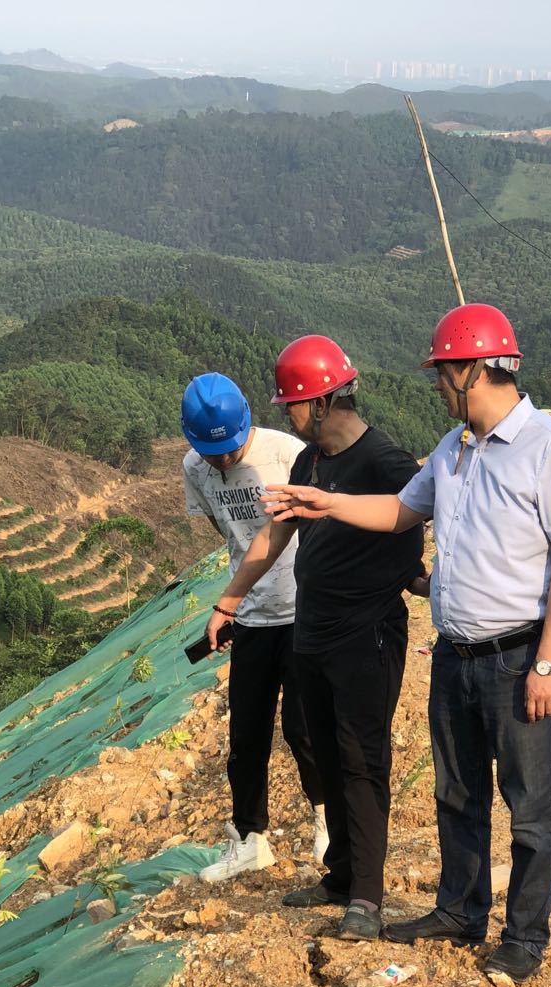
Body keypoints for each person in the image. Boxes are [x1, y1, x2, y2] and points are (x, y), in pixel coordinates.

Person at [262, 304, 551, 984]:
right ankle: (460, 911)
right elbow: (399, 510)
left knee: (530, 809)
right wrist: (326, 502)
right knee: (458, 795)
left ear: (474, 370)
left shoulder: (547, 447)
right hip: (455, 655)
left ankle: (524, 938)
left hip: (520, 657)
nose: (438, 385)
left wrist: (549, 661)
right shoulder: (454, 449)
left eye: (443, 373)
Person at [204, 337, 424, 941]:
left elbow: (425, 512)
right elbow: (274, 536)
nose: (288, 415)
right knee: (326, 754)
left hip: (366, 635)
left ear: (323, 402)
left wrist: (419, 575)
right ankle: (340, 876)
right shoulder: (308, 463)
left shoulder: (384, 461)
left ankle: (367, 898)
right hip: (313, 633)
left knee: (362, 761)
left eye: (293, 405)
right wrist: (229, 600)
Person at [180, 373, 327, 884]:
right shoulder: (194, 468)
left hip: (304, 610)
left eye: (230, 450)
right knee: (246, 734)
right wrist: (234, 604)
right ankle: (250, 839)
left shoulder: (287, 454)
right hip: (252, 617)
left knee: (305, 728)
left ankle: (327, 821)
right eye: (212, 453)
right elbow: (230, 535)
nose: (223, 461)